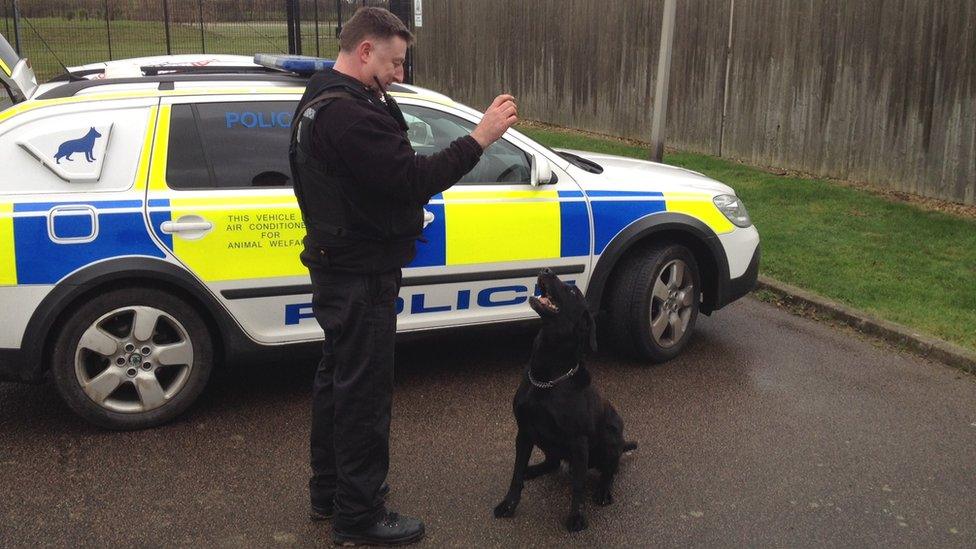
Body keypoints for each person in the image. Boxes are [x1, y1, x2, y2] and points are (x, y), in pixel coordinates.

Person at [288, 6, 518, 547]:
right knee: (364, 397)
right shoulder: (349, 114)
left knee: (337, 384)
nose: (400, 74)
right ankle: (360, 516)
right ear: (364, 50)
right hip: (360, 273)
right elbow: (415, 178)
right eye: (393, 63)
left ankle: (330, 494)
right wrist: (480, 137)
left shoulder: (330, 93)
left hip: (338, 265)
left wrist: (384, 95)